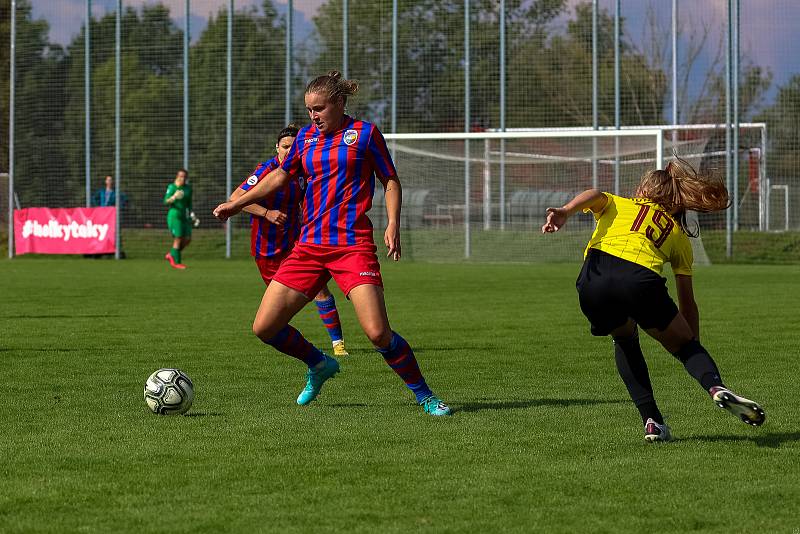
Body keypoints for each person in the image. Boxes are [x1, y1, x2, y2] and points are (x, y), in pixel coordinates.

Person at [213, 71, 450, 416]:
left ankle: (425, 396)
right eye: (309, 109)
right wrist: (236, 204)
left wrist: (394, 222)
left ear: (339, 103)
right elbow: (280, 175)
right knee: (264, 327)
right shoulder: (306, 138)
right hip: (308, 246)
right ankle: (318, 363)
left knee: (377, 333)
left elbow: (390, 180)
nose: (313, 116)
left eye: (319, 108)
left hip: (352, 245)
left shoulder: (365, 135)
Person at [541, 157, 765, 442]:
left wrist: (565, 210)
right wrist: (691, 347)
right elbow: (688, 300)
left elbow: (595, 194)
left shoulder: (620, 203)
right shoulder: (677, 234)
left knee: (624, 339)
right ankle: (716, 388)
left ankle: (652, 422)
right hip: (638, 279)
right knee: (684, 345)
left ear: (644, 189)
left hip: (591, 280)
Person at [231, 124, 350, 357]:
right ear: (277, 147)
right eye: (285, 147)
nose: (288, 151)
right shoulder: (267, 169)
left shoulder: (303, 170)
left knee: (321, 290)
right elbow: (236, 197)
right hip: (268, 250)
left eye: (293, 146)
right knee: (277, 311)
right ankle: (304, 351)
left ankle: (338, 345)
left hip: (297, 244)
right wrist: (267, 213)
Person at [163, 168, 198, 269]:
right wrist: (173, 197)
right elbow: (166, 201)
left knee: (187, 239)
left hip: (184, 216)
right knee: (178, 238)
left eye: (184, 176)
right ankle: (177, 262)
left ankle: (171, 254)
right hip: (174, 215)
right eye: (180, 176)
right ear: (177, 177)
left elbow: (189, 203)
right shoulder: (172, 187)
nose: (182, 178)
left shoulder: (188, 188)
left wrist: (192, 214)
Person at [90, 175, 127, 258]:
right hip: (102, 215)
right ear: (105, 181)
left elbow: (124, 200)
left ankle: (115, 250)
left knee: (113, 232)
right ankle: (99, 251)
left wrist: (117, 207)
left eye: (111, 180)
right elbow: (94, 198)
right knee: (101, 232)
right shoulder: (101, 192)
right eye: (108, 180)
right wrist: (98, 206)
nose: (109, 182)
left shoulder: (116, 192)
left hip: (111, 216)